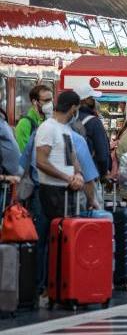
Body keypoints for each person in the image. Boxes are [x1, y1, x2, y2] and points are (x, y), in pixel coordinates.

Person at [34, 90, 85, 300]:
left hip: (67, 191)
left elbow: (72, 156)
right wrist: (67, 178)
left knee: (64, 239)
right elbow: (41, 161)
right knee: (51, 240)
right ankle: (45, 287)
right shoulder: (47, 129)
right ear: (73, 108)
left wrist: (78, 174)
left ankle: (61, 285)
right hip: (51, 191)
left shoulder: (65, 128)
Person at [16, 84, 53, 152]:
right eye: (46, 100)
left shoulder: (51, 121)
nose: (50, 104)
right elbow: (23, 153)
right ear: (34, 102)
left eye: (51, 100)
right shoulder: (24, 123)